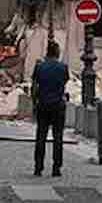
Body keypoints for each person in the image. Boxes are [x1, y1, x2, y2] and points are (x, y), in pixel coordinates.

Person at [30, 41, 70, 177]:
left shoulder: (39, 67)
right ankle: (56, 168)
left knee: (41, 136)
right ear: (57, 52)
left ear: (47, 51)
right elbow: (64, 83)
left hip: (43, 104)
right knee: (58, 138)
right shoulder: (63, 67)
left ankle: (38, 167)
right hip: (58, 105)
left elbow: (34, 87)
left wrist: (34, 102)